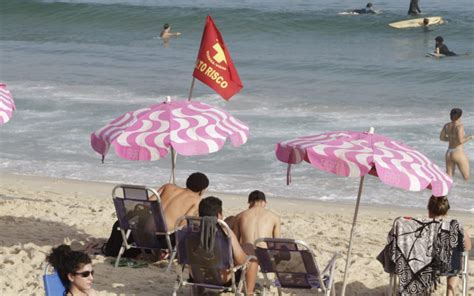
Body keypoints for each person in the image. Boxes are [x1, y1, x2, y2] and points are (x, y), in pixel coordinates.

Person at [198, 196, 259, 295]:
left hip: (196, 277)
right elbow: (241, 261)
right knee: (252, 260)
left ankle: (199, 291)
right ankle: (250, 293)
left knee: (247, 246)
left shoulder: (189, 230)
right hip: (221, 279)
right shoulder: (226, 232)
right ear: (219, 215)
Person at [427, 195, 471, 296]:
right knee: (455, 261)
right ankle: (450, 292)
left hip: (426, 267)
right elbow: (467, 247)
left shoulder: (422, 226)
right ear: (446, 212)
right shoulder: (455, 226)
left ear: (429, 210)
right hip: (451, 267)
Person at [439, 108, 473, 180]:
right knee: (466, 177)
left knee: (449, 178)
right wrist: (470, 137)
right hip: (458, 152)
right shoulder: (459, 126)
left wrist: (451, 138)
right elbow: (460, 141)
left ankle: (449, 191)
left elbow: (442, 138)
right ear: (460, 116)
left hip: (448, 153)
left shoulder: (447, 125)